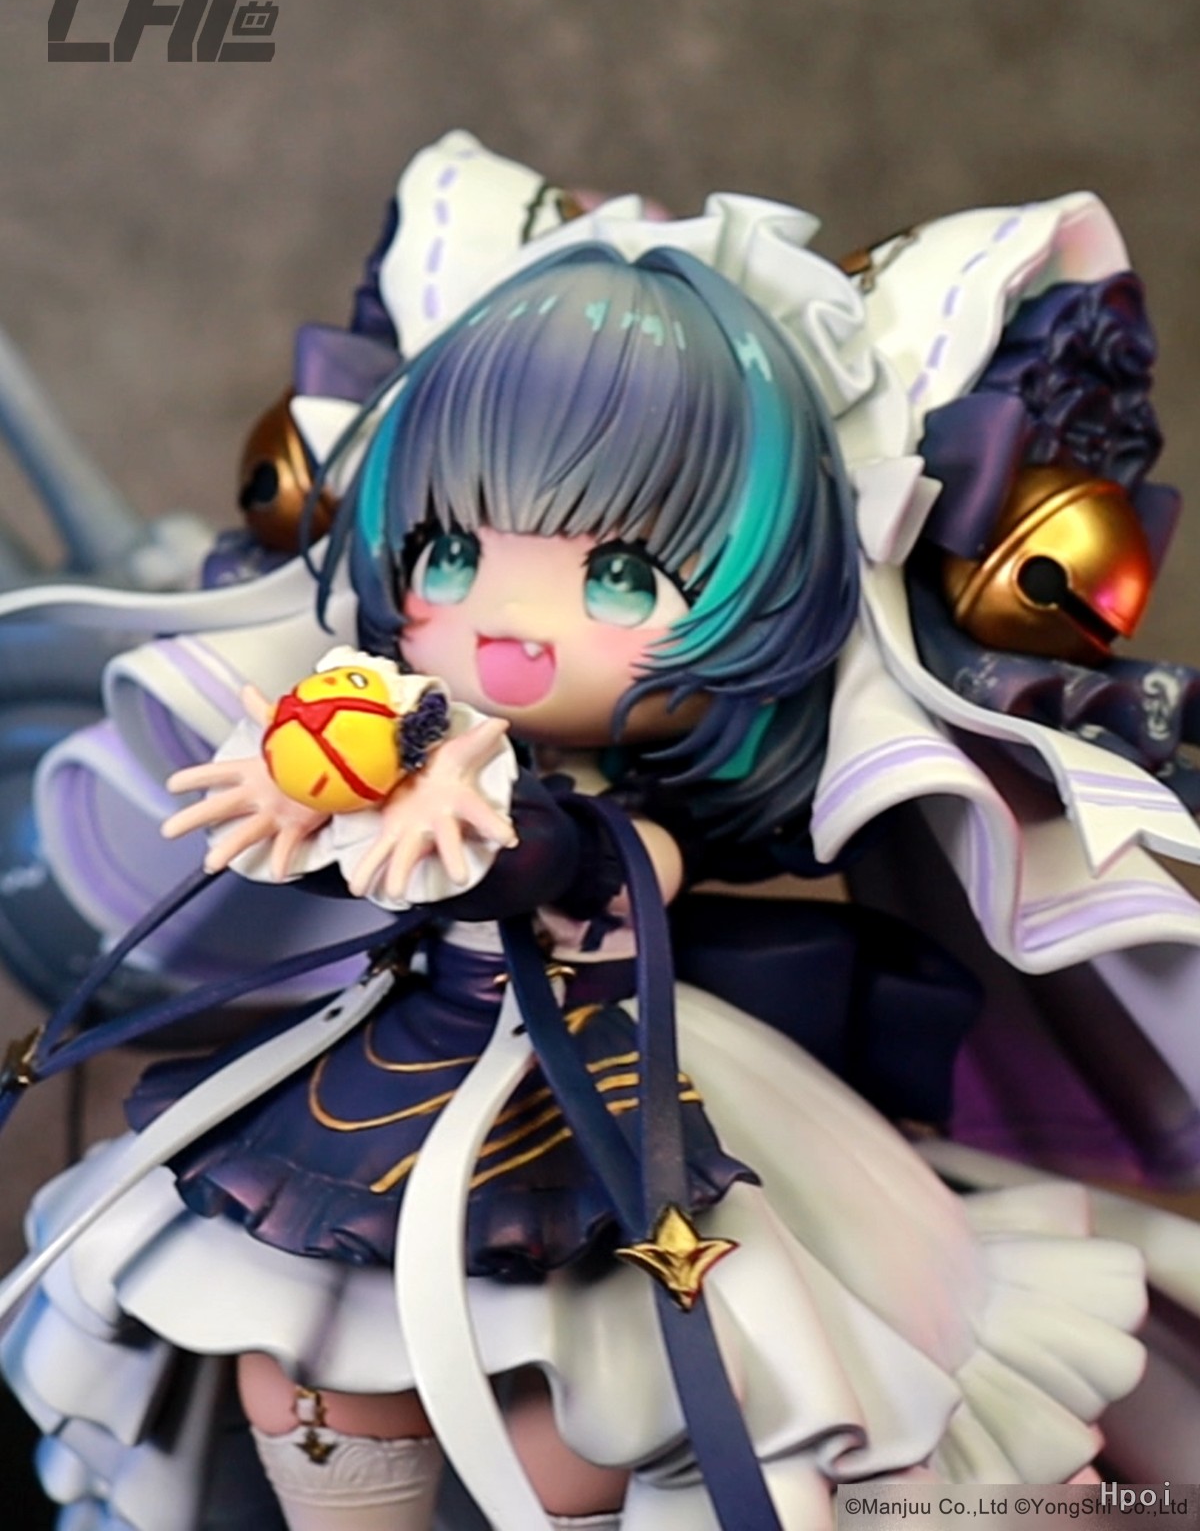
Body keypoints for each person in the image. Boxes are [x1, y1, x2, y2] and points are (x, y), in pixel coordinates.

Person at [1, 134, 1195, 1530]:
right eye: (452, 556)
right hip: (387, 1080)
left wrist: (454, 815)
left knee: (600, 1404)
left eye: (619, 576)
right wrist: (299, 799)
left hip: (601, 1109)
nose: (506, 622)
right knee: (290, 1349)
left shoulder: (596, 809)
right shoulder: (400, 722)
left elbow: (557, 861)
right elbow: (333, 839)